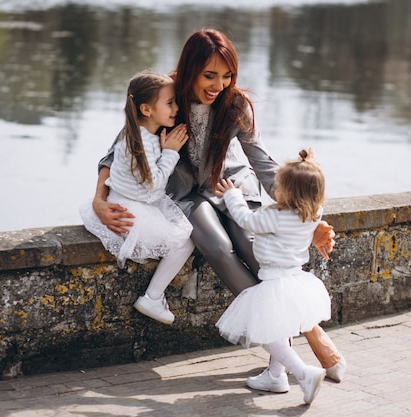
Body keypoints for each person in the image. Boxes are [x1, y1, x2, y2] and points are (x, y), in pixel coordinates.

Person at [92, 29, 346, 383]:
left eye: (226, 76)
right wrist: (99, 200)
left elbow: (263, 164)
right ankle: (308, 342)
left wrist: (308, 216)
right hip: (186, 195)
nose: (218, 85)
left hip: (233, 188)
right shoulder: (167, 94)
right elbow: (118, 149)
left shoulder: (235, 104)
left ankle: (295, 353)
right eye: (209, 75)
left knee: (257, 253)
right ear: (190, 68)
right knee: (218, 246)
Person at [214, 150, 331, 404]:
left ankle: (303, 372)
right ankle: (276, 376)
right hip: (296, 280)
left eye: (278, 186)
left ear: (288, 194)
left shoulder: (275, 217)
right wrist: (307, 167)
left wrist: (233, 195)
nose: (273, 189)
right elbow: (312, 189)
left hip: (274, 282)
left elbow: (246, 220)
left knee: (265, 334)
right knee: (281, 328)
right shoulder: (312, 213)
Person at [80, 71, 195, 325]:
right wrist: (171, 153)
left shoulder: (134, 134)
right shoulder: (146, 144)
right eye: (170, 103)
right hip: (131, 209)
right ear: (146, 109)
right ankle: (152, 296)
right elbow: (153, 190)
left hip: (124, 200)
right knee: (185, 241)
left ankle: (154, 297)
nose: (176, 108)